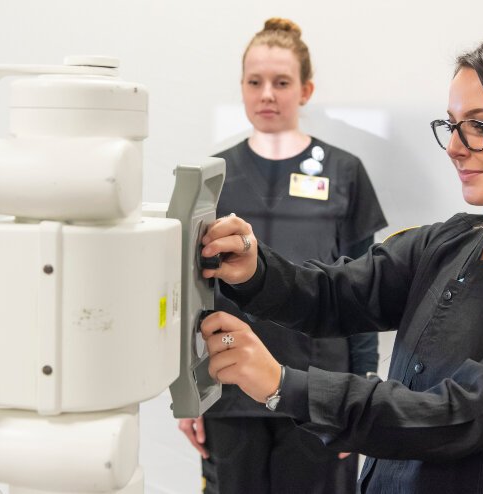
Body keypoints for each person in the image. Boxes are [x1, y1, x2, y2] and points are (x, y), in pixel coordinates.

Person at [196, 30, 483, 493]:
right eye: (452, 125)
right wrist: (254, 269)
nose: (455, 147)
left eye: (480, 125)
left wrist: (282, 385)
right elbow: (334, 294)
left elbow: (459, 415)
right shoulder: (450, 242)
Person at [177, 18, 388, 494]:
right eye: (255, 82)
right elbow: (192, 292)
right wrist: (189, 393)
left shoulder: (344, 172)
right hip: (229, 393)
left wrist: (362, 398)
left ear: (306, 90)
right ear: (242, 88)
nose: (267, 94)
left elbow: (364, 291)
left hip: (318, 394)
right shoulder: (216, 176)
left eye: (281, 82)